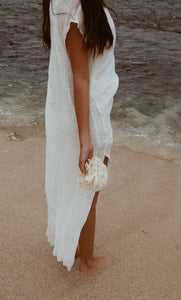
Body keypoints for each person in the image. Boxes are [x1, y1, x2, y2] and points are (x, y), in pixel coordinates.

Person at [43, 0, 119, 271]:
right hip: (89, 113)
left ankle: (75, 244)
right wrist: (85, 138)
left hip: (87, 107)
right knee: (90, 189)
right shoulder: (70, 9)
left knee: (82, 186)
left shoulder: (63, 4)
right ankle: (87, 258)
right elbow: (80, 76)